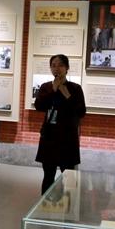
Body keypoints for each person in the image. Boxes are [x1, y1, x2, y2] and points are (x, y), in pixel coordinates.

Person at [34, 54, 87, 194]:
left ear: (67, 68)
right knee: (48, 175)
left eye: (60, 65)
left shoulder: (75, 88)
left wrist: (66, 94)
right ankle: (45, 205)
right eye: (53, 66)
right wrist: (53, 90)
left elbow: (81, 112)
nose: (56, 69)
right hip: (50, 136)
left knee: (68, 175)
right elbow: (39, 106)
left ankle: (69, 205)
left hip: (67, 137)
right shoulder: (46, 87)